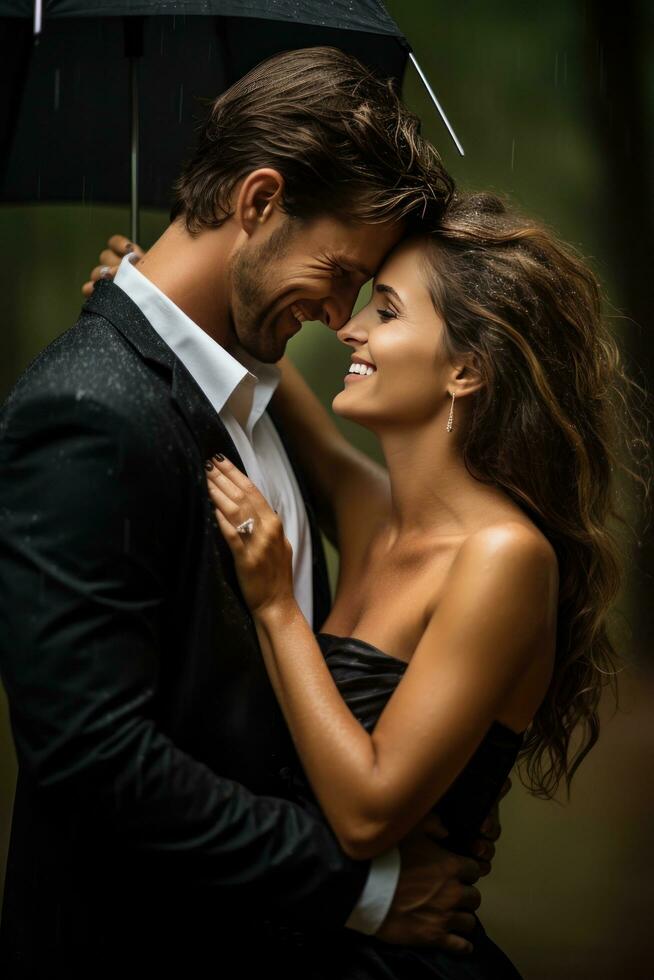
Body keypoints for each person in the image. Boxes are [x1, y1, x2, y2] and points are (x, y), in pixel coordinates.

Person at [0, 48, 501, 979]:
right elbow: (92, 756)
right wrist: (360, 888)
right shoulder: (87, 410)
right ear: (260, 200)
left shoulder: (246, 395)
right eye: (344, 272)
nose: (341, 316)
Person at [201, 191, 649, 977]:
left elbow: (369, 813)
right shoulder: (376, 513)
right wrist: (166, 298)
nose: (350, 328)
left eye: (387, 311)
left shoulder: (505, 558)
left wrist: (276, 606)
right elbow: (267, 383)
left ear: (467, 369)